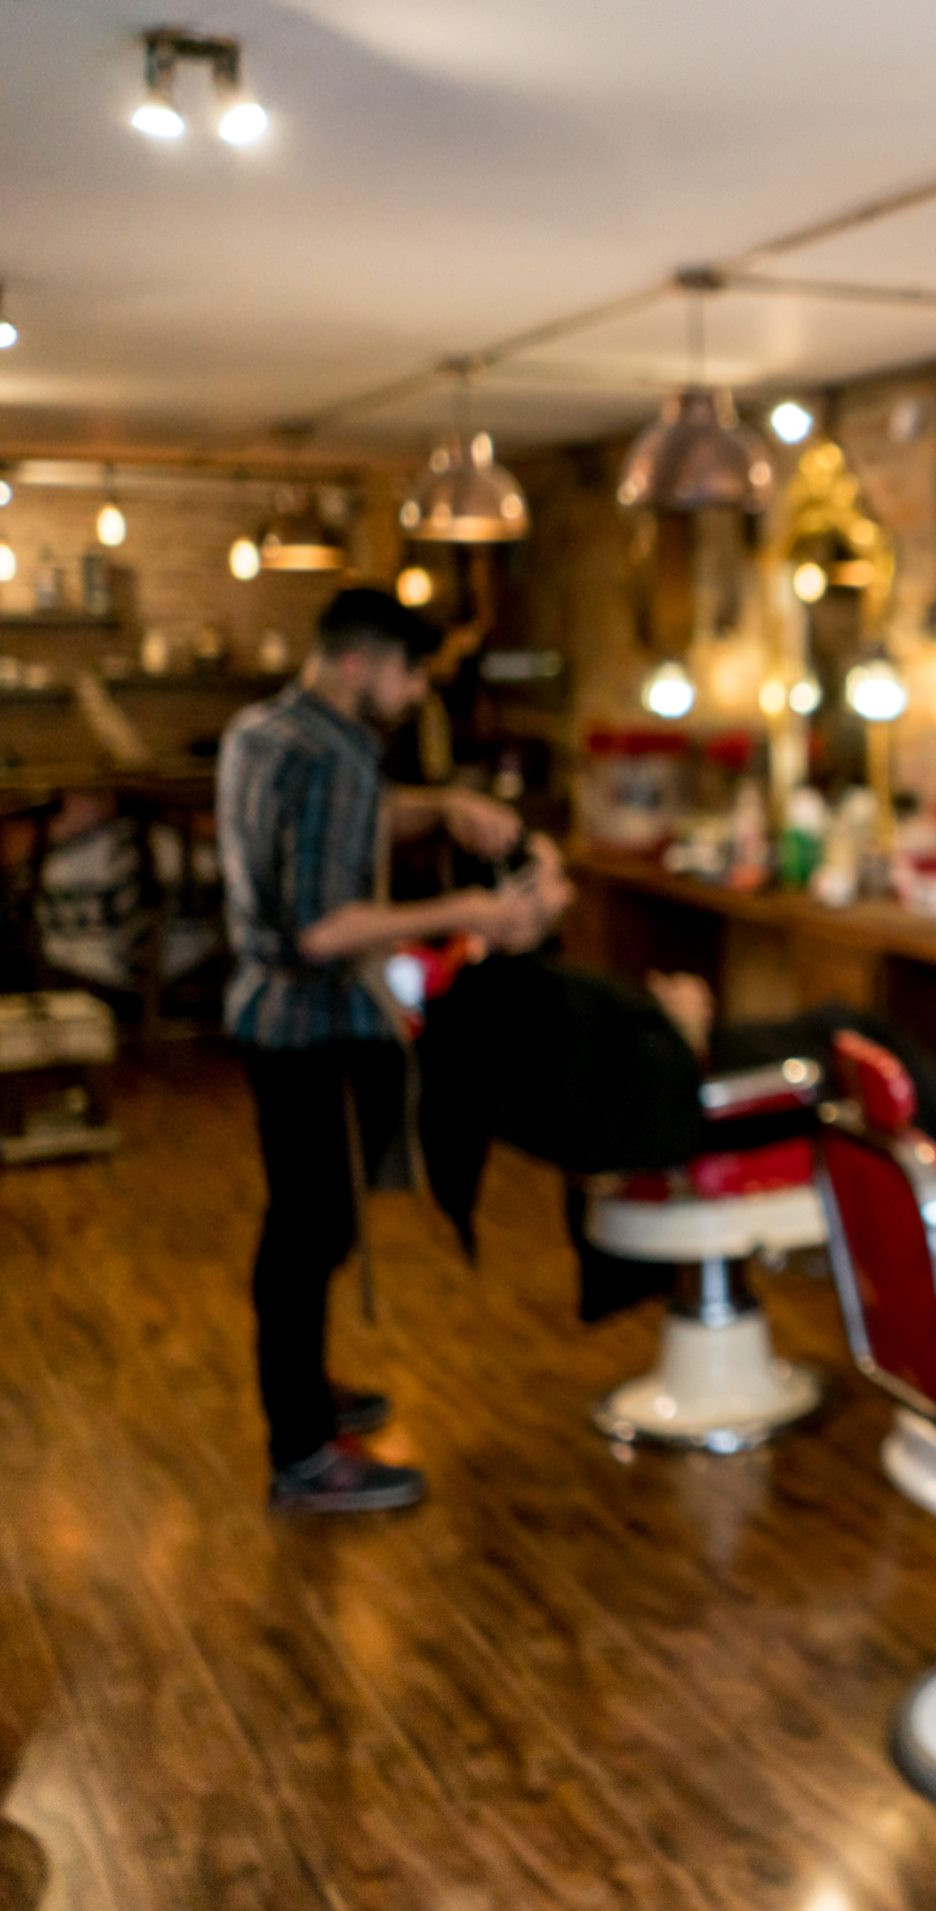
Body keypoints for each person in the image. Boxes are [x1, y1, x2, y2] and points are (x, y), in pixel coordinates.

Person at [218, 586, 537, 1514]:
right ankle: (304, 1450)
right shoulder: (335, 754)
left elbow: (332, 826)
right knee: (308, 1230)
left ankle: (306, 1396)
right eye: (408, 677)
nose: (411, 697)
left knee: (308, 1223)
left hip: (262, 1014)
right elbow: (322, 928)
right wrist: (468, 913)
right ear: (360, 664)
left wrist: (437, 805)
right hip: (309, 1019)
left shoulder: (264, 730)